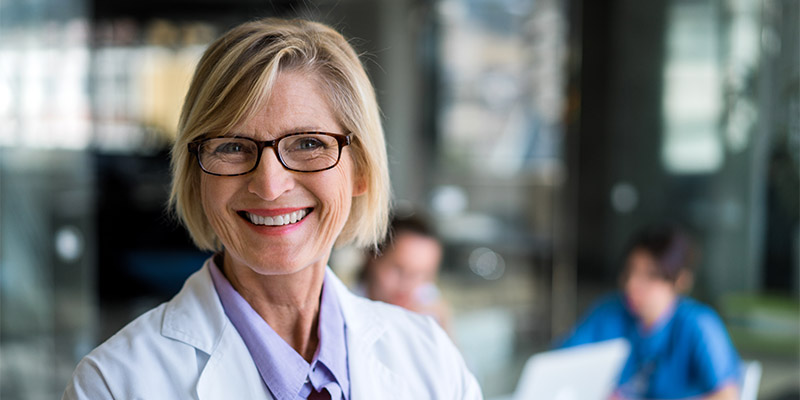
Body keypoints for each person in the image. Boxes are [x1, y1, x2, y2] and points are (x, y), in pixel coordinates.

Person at [64, 18, 481, 399]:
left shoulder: (431, 359)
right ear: (197, 175)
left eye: (308, 144)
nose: (269, 185)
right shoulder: (115, 384)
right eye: (232, 147)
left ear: (361, 171)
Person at [558, 224, 741, 400]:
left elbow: (727, 396)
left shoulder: (699, 324)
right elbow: (559, 366)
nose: (632, 285)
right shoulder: (609, 313)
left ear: (679, 281)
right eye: (630, 272)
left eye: (650, 275)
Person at [357, 213, 451, 330]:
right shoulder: (343, 306)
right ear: (371, 257)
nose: (407, 284)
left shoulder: (429, 305)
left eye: (421, 274)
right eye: (399, 269)